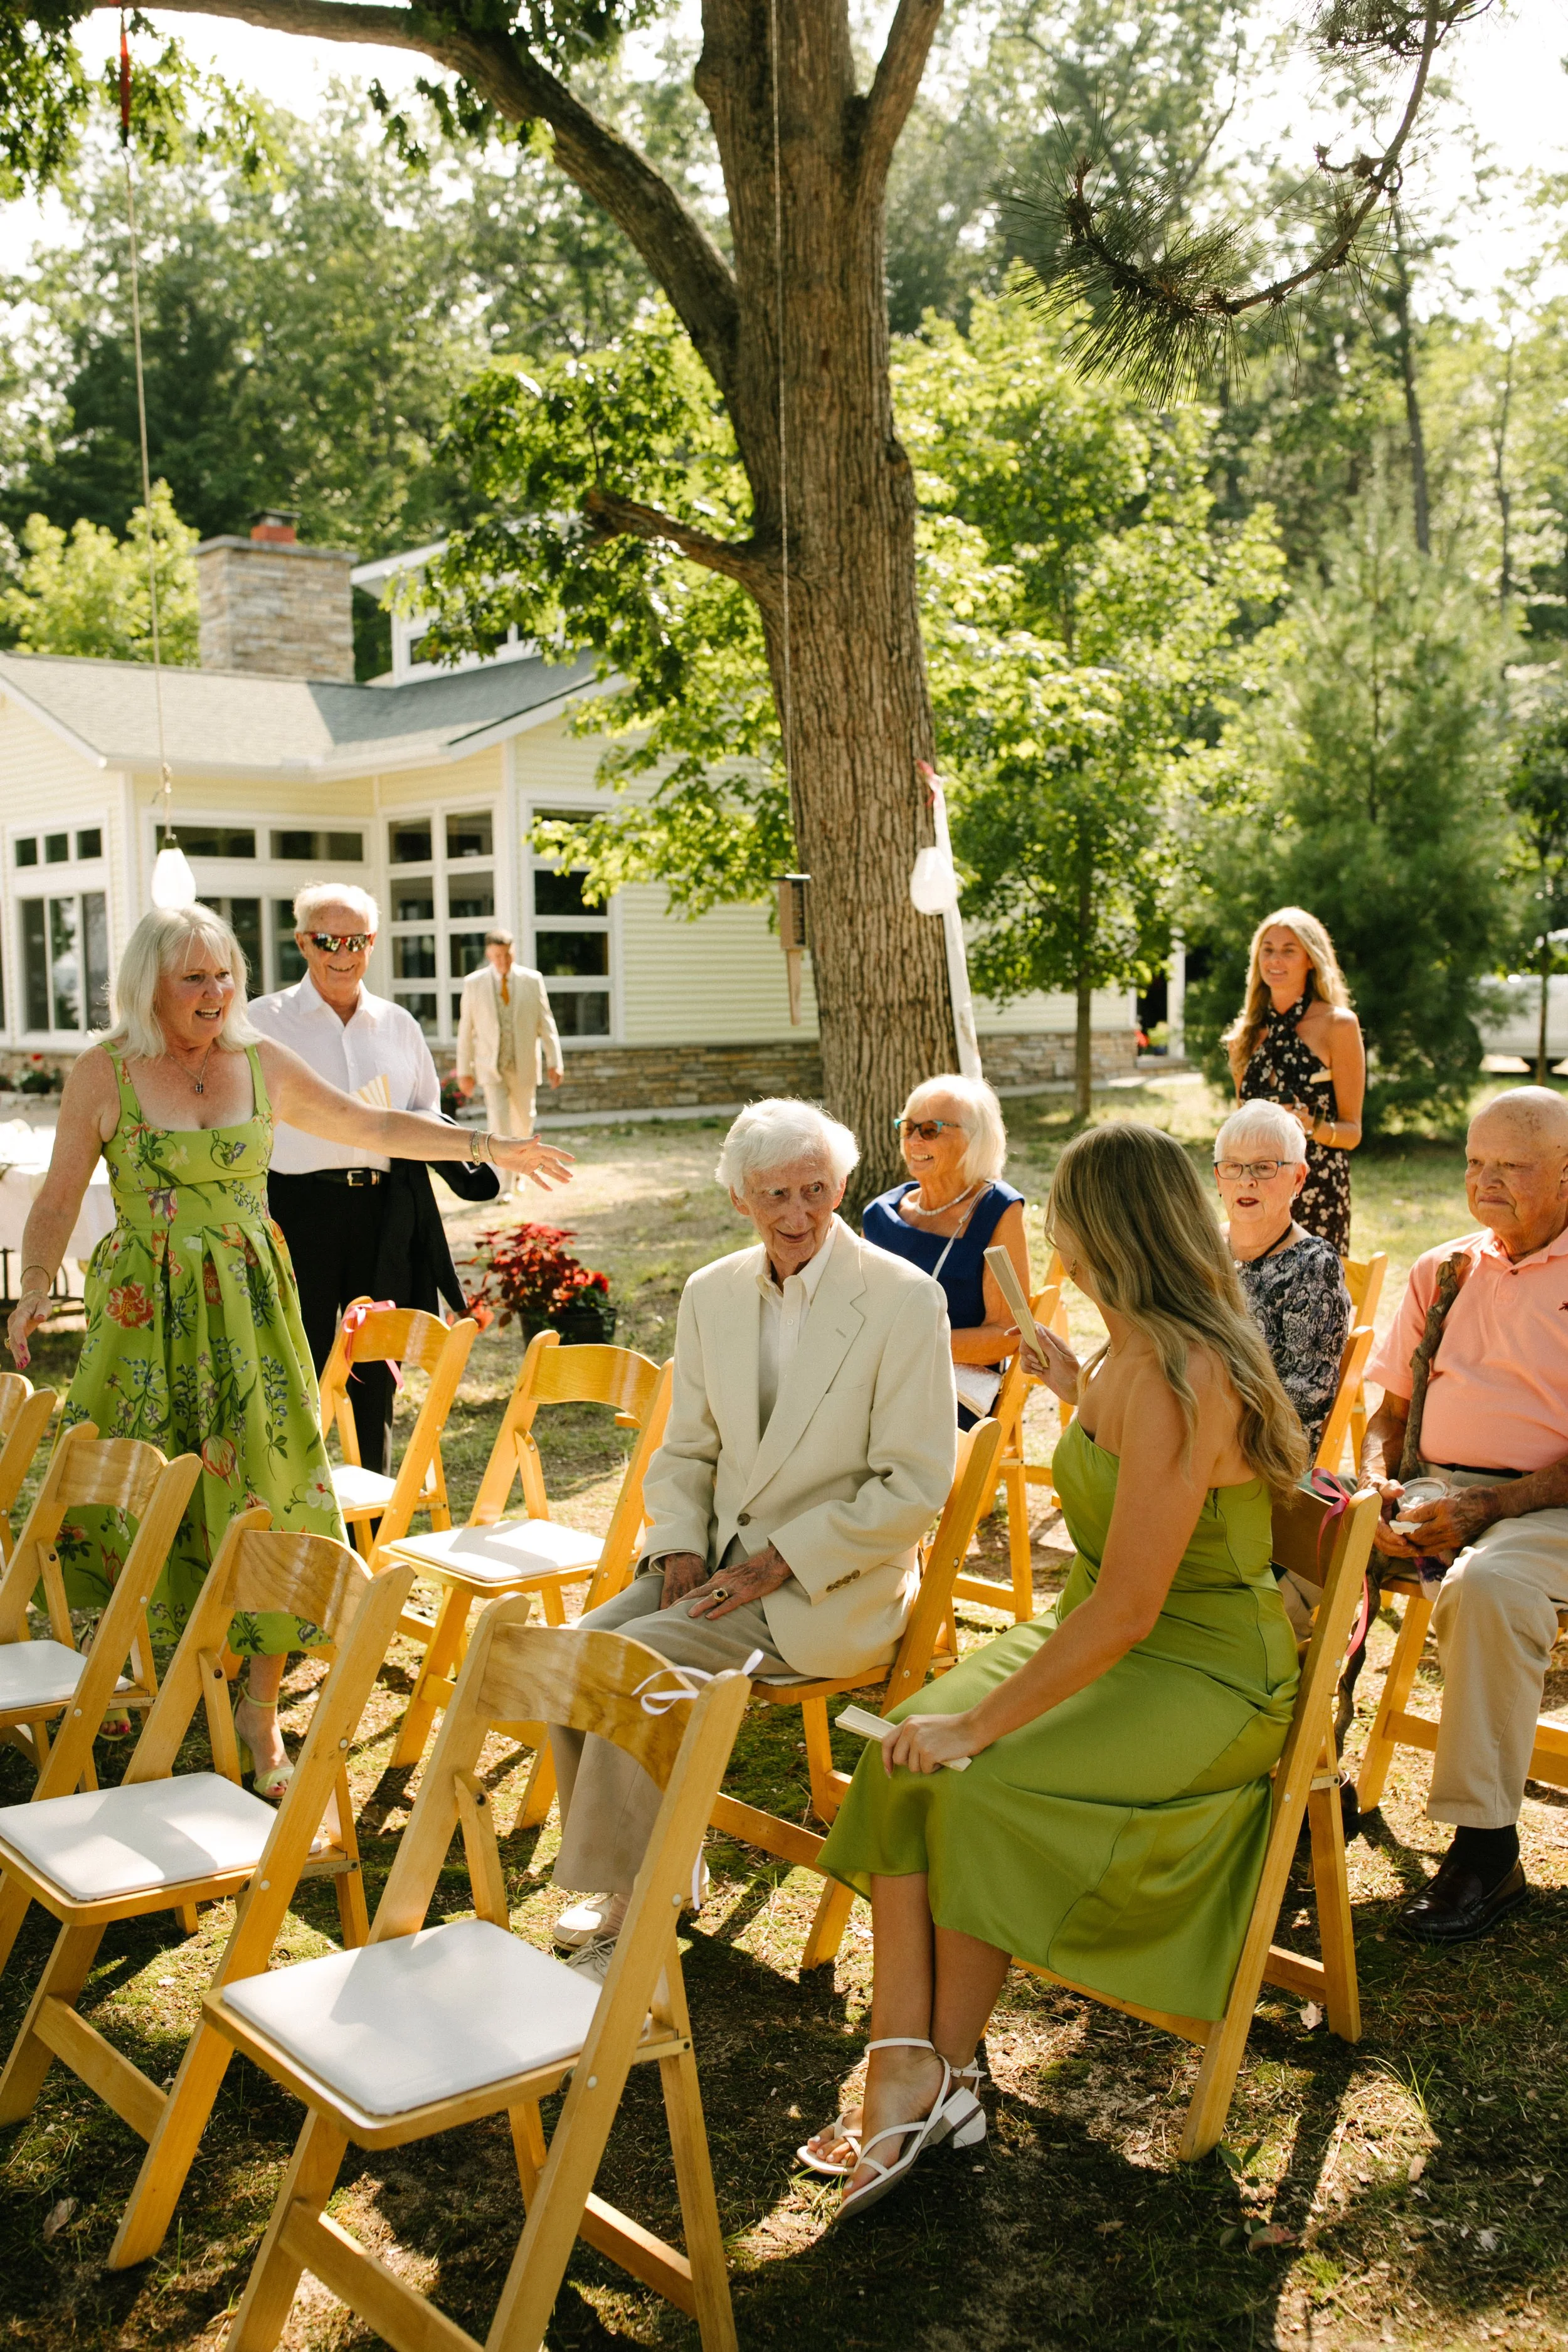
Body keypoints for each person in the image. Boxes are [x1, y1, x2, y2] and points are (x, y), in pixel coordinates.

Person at [803, 1118, 1305, 2216]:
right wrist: (1076, 1385)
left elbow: (1131, 1608)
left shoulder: (1182, 1371)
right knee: (900, 1761)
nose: (1053, 1243)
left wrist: (981, 1728)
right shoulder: (1131, 1351)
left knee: (974, 1781)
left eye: (1065, 1222)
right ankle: (915, 2064)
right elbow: (1133, 1505)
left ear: (1102, 1233)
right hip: (1113, 1633)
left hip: (1207, 1675)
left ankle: (937, 2073)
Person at [6, 906, 571, 1798]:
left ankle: (259, 1711)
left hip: (250, 1307)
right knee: (127, 1487)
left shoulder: (259, 1061)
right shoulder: (104, 1069)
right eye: (194, 977)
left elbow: (372, 1126)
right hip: (140, 1309)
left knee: (275, 1492)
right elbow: (59, 1193)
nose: (216, 991)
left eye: (225, 973)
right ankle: (112, 1661)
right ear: (148, 983)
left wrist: (486, 1145)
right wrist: (38, 1280)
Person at [546, 1097, 958, 1979]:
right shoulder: (712, 1292)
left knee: (638, 1664)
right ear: (740, 1197)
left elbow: (916, 1485)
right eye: (776, 1194)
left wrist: (780, 1561)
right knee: (581, 1650)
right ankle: (658, 1868)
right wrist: (679, 1547)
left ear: (844, 1184)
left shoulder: (904, 1298)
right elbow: (686, 1447)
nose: (799, 1215)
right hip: (720, 1572)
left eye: (817, 1189)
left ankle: (634, 1911)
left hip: (829, 1584)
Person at [1360, 1086, 1568, 1945]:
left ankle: (1487, 1851)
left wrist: (1495, 1503)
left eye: (1511, 1166)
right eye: (1475, 1162)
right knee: (1290, 1545)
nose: (1485, 1182)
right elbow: (1389, 1416)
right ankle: (1287, 1784)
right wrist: (1375, 1487)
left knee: (1487, 1587)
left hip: (1547, 1503)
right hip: (1435, 1489)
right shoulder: (1442, 1268)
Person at [248, 883, 499, 1477]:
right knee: (296, 1362)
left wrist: (485, 1156)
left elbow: (424, 1121)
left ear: (373, 942)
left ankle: (374, 1517)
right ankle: (296, 1504)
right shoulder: (261, 1022)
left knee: (375, 1369)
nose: (344, 953)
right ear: (303, 942)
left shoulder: (399, 1025)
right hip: (295, 1210)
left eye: (357, 939)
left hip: (382, 1211)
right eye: (328, 939)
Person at [862, 1074, 1029, 1428]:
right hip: (876, 1377)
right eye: (907, 1128)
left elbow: (1006, 1333)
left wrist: (911, 1348)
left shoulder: (997, 1210)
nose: (913, 1140)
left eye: (930, 1129)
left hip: (956, 1385)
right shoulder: (880, 1216)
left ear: (975, 1139)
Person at [1225, 907, 1365, 1256]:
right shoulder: (1243, 1036)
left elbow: (1353, 1132)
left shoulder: (1339, 1026)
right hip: (1253, 1189)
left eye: (1289, 950)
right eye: (1268, 949)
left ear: (1311, 959)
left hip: (1317, 1187)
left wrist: (1310, 1123)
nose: (1276, 959)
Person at [1214, 1100, 1350, 1458]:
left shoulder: (1314, 1264)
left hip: (1261, 1451)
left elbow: (1305, 1396)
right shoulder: (1202, 1246)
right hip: (1194, 1425)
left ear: (1299, 1178)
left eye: (1264, 1167)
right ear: (1218, 1178)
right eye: (1233, 1167)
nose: (1247, 1180)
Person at [455, 926, 563, 1189]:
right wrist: (464, 1072)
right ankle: (504, 1184)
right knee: (499, 1125)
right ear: (488, 955)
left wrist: (555, 1062)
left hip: (524, 1066)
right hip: (491, 1068)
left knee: (524, 1122)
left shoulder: (532, 980)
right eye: (497, 956)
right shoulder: (474, 984)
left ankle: (521, 1173)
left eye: (507, 955)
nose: (503, 961)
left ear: (513, 951)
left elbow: (546, 1024)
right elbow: (465, 1031)